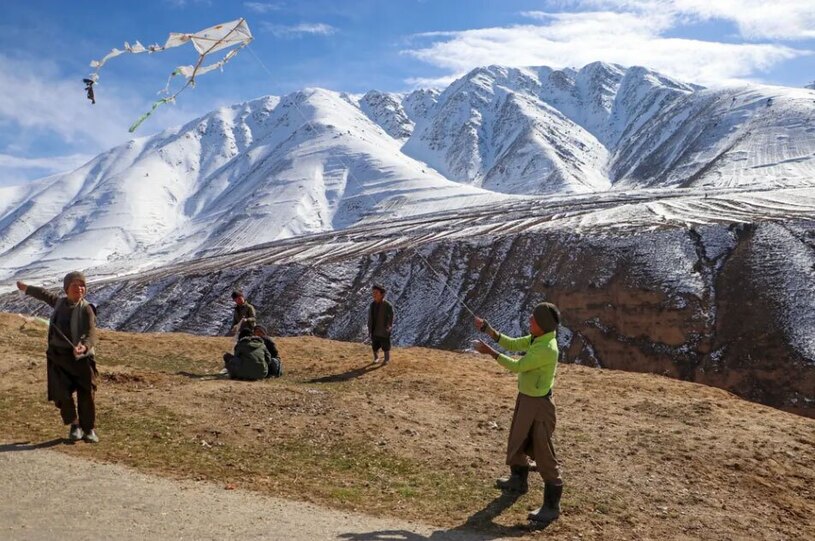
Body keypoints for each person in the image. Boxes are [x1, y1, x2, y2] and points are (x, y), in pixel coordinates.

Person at [472, 302, 563, 524]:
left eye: (534, 318)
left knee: (542, 450)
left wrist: (489, 352)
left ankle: (551, 506)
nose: (529, 320)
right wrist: (488, 329)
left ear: (542, 324)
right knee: (517, 439)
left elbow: (517, 366)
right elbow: (512, 344)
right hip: (527, 399)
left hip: (539, 406)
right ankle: (518, 480)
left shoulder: (547, 348)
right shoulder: (537, 339)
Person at [16, 272, 100, 443]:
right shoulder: (59, 302)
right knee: (61, 393)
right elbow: (44, 294)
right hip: (58, 357)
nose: (79, 288)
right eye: (74, 285)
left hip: (81, 359)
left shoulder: (87, 309)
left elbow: (90, 332)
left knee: (86, 394)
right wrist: (26, 288)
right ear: (66, 288)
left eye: (82, 285)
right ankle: (74, 425)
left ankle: (89, 429)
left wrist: (84, 346)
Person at [367, 285, 394, 364]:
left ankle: (386, 359)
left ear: (382, 294)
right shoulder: (372, 305)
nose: (374, 294)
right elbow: (370, 317)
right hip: (374, 329)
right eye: (373, 292)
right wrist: (369, 327)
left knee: (385, 345)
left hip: (384, 329)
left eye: (376, 292)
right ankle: (376, 358)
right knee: (374, 345)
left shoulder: (387, 305)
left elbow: (391, 316)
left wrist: (389, 325)